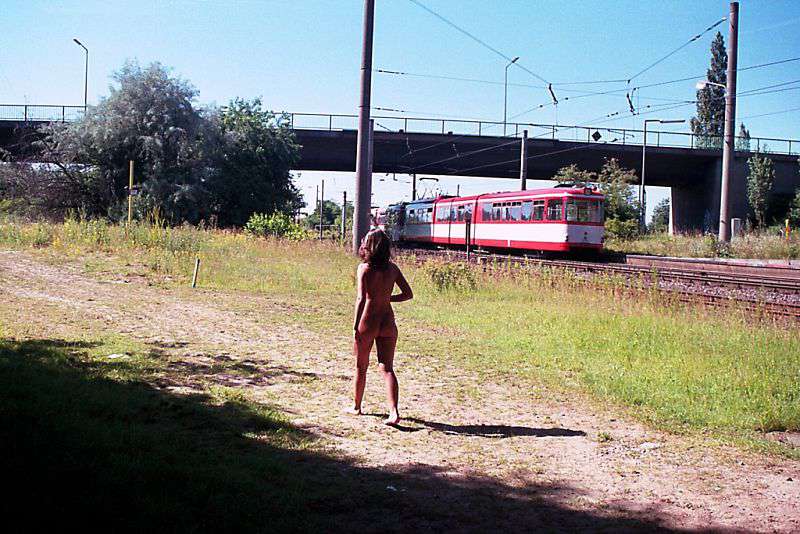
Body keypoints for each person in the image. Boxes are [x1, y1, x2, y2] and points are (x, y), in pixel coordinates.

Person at [347, 229, 413, 425]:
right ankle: (393, 411)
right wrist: (387, 298)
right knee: (387, 368)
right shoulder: (393, 269)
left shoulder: (364, 269)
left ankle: (356, 407)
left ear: (368, 246)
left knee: (361, 366)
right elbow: (408, 294)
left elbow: (361, 299)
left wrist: (355, 326)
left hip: (368, 321)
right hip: (387, 321)